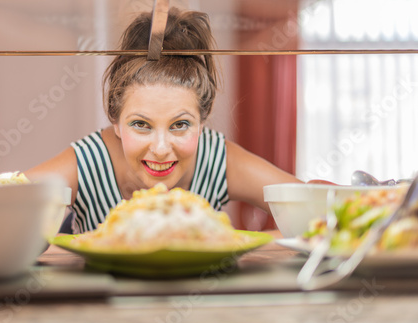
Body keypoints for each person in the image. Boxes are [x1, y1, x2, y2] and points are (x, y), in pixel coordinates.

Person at [25, 8, 302, 234]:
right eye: (141, 124)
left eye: (180, 125)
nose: (160, 148)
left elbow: (314, 204)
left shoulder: (217, 158)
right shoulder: (87, 161)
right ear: (116, 121)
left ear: (202, 122)